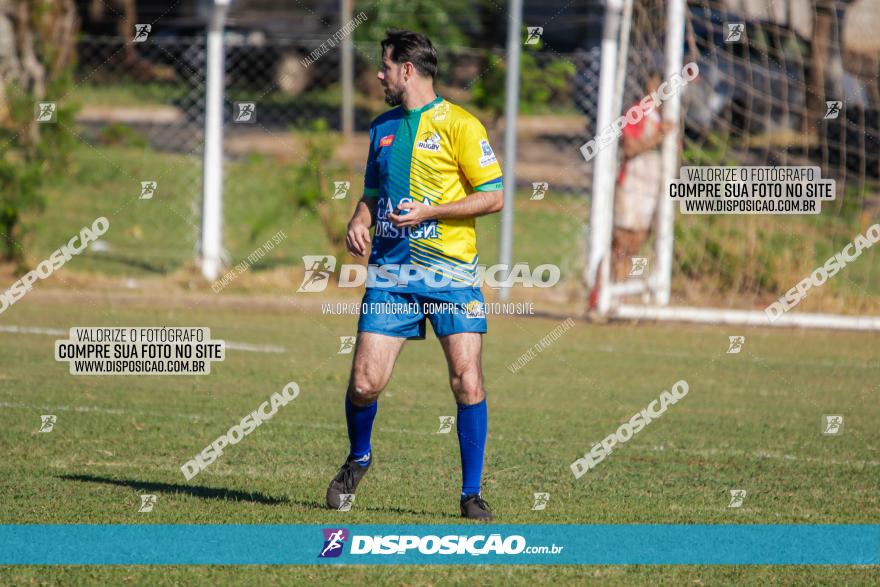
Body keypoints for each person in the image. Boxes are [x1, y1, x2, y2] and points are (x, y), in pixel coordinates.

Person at [325, 29, 504, 521]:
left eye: (384, 66)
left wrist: (431, 212)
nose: (379, 74)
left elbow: (494, 195)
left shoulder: (461, 125)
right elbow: (371, 193)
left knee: (467, 381)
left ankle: (471, 494)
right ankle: (359, 458)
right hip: (390, 274)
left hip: (451, 274)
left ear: (407, 70)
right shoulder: (381, 127)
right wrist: (360, 219)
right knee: (364, 382)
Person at [611, 73, 673, 281]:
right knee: (622, 237)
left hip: (654, 182)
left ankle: (623, 288)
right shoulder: (636, 112)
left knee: (638, 239)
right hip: (632, 179)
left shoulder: (668, 116)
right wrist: (657, 137)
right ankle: (613, 285)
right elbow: (629, 148)